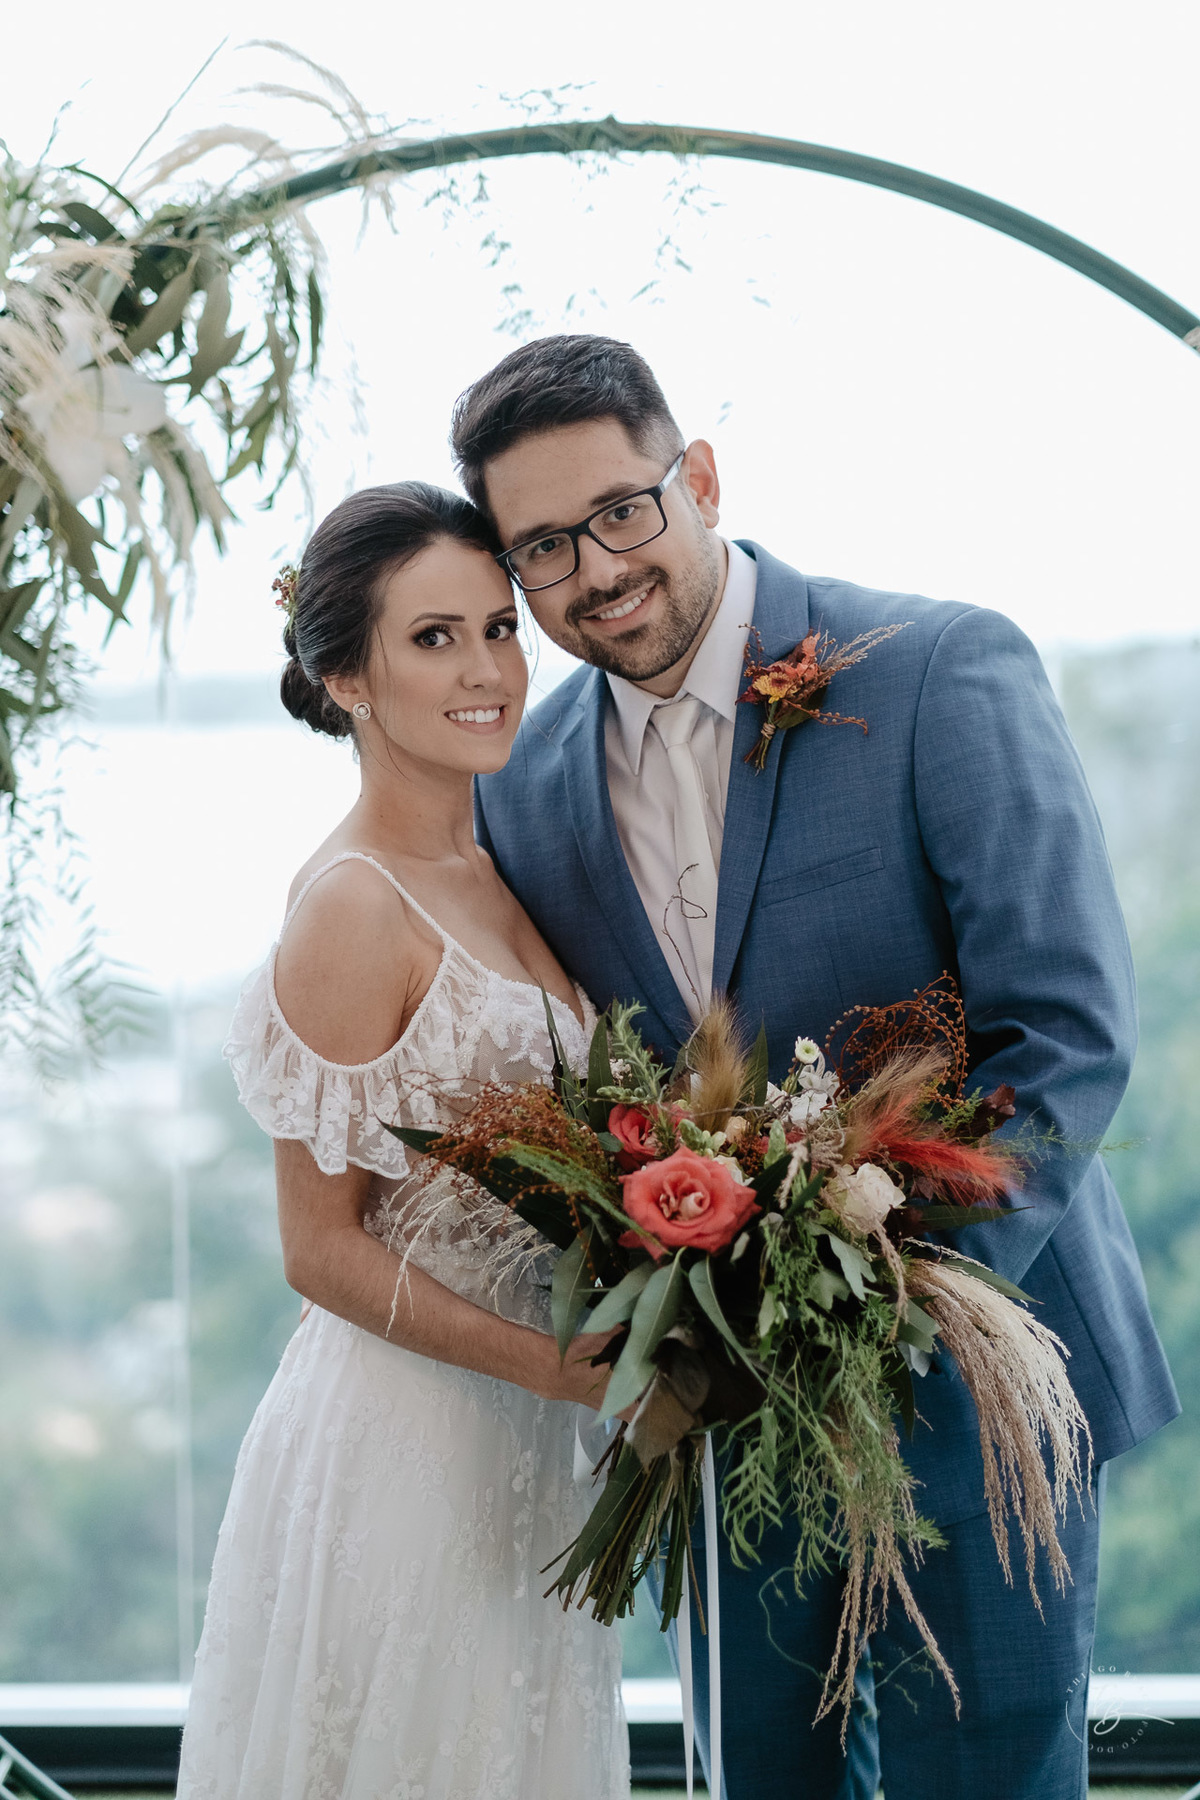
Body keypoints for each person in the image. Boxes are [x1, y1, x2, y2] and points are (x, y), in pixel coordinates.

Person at [458, 334, 1181, 1800]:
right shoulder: (521, 789)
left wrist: (891, 1301)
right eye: (541, 548)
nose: (595, 571)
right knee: (759, 1787)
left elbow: (1068, 1032)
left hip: (986, 1383)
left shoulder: (935, 670)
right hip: (721, 1418)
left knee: (982, 1780)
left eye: (620, 511)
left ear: (700, 478)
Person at [176, 482, 630, 1800]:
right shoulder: (352, 906)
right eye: (434, 638)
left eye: (498, 627)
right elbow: (317, 1251)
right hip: (405, 1455)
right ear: (346, 679)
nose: (488, 669)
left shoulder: (493, 865)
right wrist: (555, 1369)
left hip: (535, 1460)